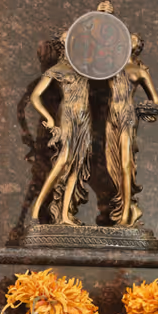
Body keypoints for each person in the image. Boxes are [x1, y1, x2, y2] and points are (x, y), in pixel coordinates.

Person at [29, 34, 92, 225]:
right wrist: (48, 117)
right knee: (62, 161)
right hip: (68, 118)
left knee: (77, 165)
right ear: (61, 46)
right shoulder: (57, 70)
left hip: (84, 119)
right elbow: (35, 96)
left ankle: (65, 215)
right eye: (67, 40)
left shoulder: (86, 68)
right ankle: (36, 208)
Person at [105, 34, 158, 227]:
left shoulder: (139, 72)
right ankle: (128, 208)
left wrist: (146, 111)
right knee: (112, 166)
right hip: (111, 118)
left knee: (126, 164)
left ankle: (125, 217)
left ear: (137, 47)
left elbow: (155, 101)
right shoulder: (110, 67)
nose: (129, 39)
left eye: (134, 39)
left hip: (128, 117)